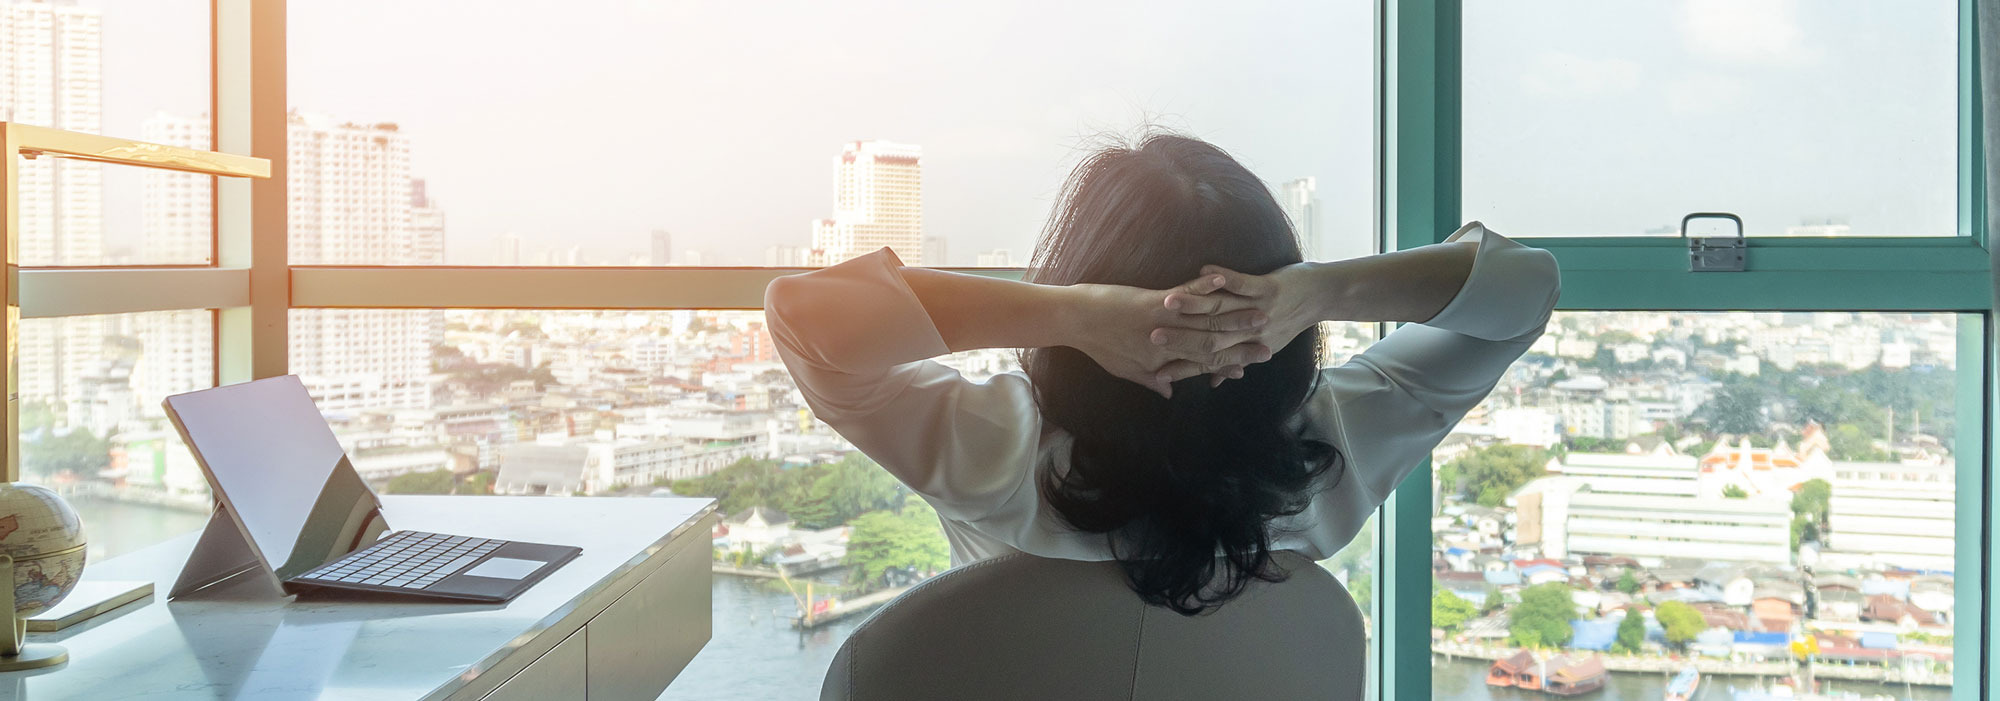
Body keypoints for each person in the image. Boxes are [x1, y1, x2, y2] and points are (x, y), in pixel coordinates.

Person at [766, 134, 1558, 615]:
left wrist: (1072, 315)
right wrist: (1319, 290)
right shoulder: (1334, 453)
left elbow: (806, 316)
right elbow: (1526, 288)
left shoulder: (998, 455)